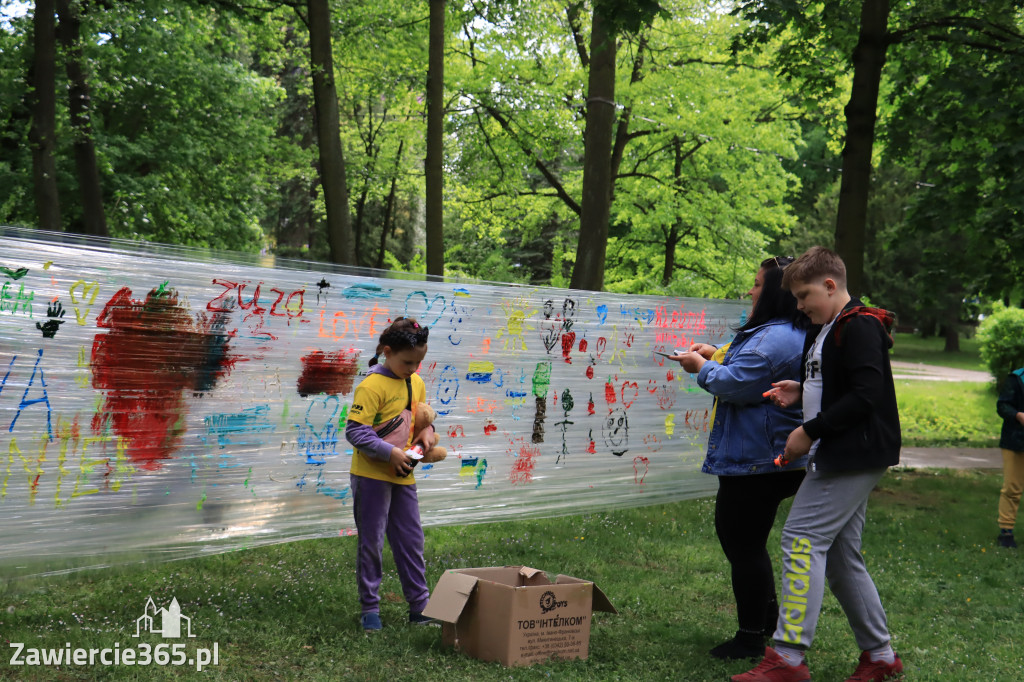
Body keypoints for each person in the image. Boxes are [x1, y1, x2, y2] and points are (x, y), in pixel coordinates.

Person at [734, 246, 903, 682]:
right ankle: (881, 656)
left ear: (831, 285)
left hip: (850, 454)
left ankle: (788, 658)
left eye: (805, 294)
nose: (799, 305)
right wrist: (799, 388)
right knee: (842, 554)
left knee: (801, 541)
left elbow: (868, 394)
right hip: (842, 452)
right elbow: (838, 382)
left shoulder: (859, 325)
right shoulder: (828, 327)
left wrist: (809, 430)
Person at [674, 256, 809, 660]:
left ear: (773, 292)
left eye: (756, 284)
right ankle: (765, 619)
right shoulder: (784, 332)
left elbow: (737, 385)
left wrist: (701, 367)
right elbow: (749, 369)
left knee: (742, 543)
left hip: (757, 462)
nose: (750, 291)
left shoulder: (774, 339)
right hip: (769, 458)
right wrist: (716, 354)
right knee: (747, 542)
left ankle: (751, 636)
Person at [344, 317, 438, 631]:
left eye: (419, 362)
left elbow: (420, 420)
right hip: (371, 478)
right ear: (387, 351)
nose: (413, 368)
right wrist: (390, 452)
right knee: (371, 543)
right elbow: (356, 433)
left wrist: (427, 435)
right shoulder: (371, 385)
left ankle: (420, 607)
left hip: (403, 478)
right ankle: (370, 609)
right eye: (408, 361)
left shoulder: (416, 382)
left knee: (412, 541)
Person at [996, 366, 1024, 548]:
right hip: (1015, 441)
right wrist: (1018, 415)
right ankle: (1006, 532)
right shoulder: (1016, 378)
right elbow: (1002, 405)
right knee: (1012, 488)